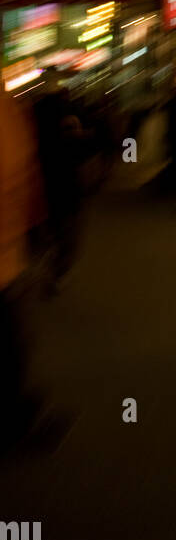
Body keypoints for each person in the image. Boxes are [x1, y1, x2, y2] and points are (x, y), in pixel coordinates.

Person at [0, 87, 47, 449]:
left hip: (10, 248)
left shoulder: (7, 105)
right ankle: (13, 421)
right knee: (10, 340)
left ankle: (15, 410)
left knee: (13, 338)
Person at [32, 70, 92, 291]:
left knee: (52, 227)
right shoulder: (71, 110)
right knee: (70, 233)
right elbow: (83, 146)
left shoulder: (32, 111)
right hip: (68, 180)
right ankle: (57, 271)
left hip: (43, 181)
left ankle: (47, 256)